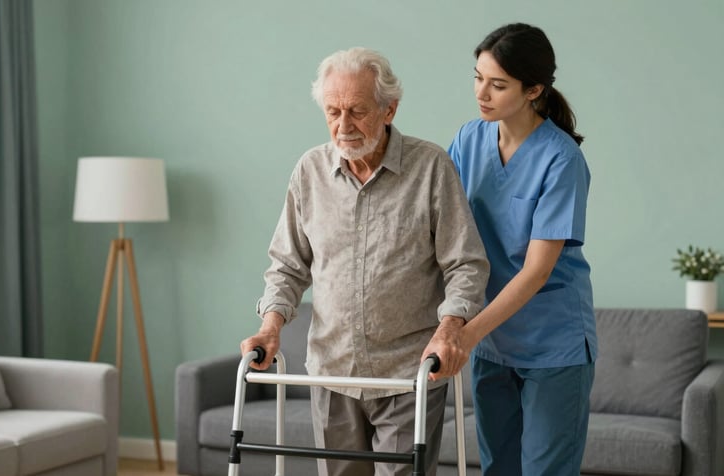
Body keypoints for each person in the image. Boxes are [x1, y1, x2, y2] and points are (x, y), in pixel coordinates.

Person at [241, 47, 489, 476]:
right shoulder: (310, 171)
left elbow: (466, 264)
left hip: (409, 371)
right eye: (332, 111)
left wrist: (449, 331)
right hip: (332, 370)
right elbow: (287, 265)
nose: (343, 125)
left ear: (389, 108)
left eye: (356, 111)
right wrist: (270, 327)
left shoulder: (430, 167)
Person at [422, 23, 597, 475]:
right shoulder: (469, 140)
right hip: (492, 341)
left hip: (551, 343)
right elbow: (443, 231)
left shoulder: (561, 159)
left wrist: (467, 333)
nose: (483, 92)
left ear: (534, 89)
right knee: (497, 467)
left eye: (498, 84)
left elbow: (537, 271)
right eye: (477, 77)